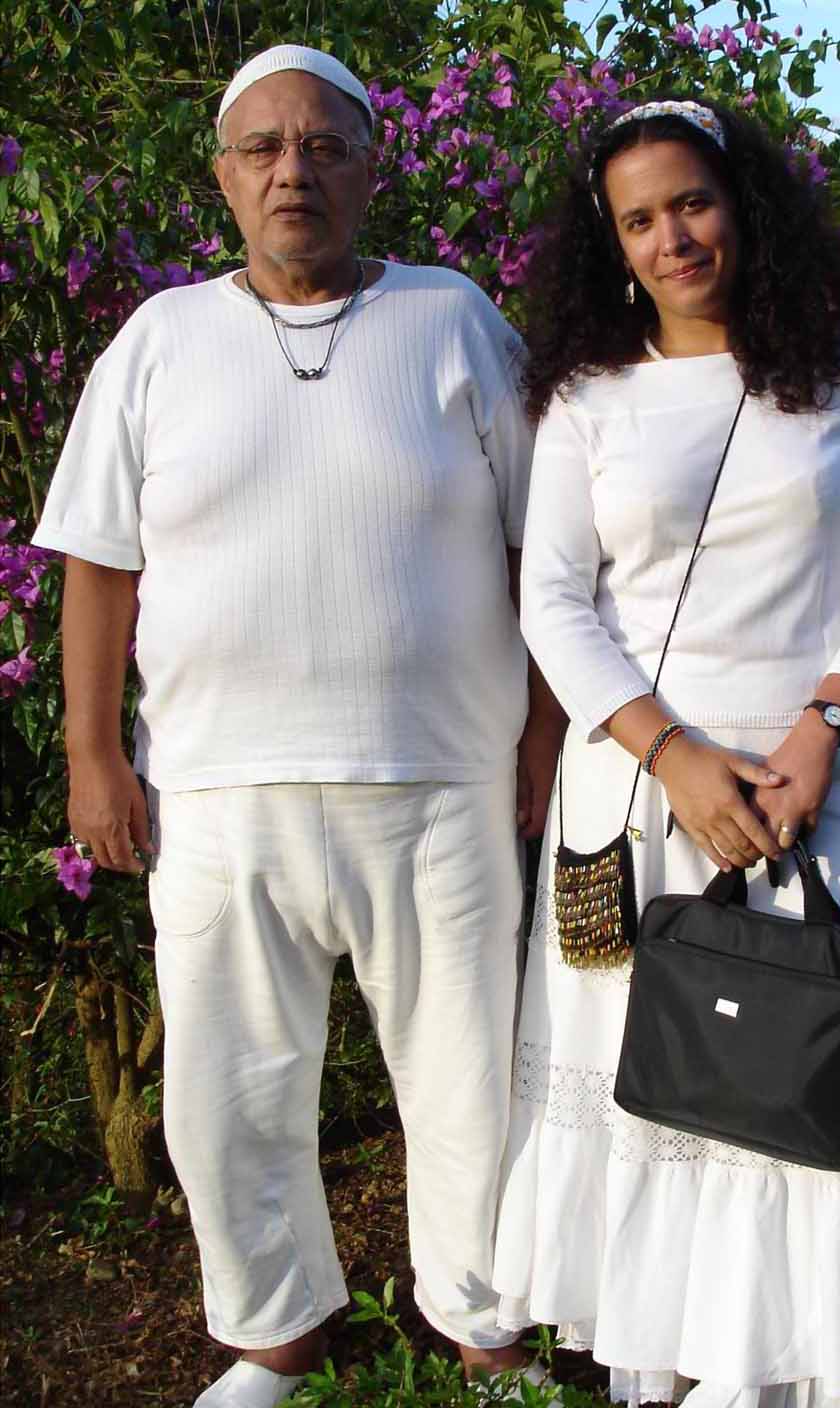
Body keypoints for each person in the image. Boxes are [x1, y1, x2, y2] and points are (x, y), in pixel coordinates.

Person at [32, 44, 563, 1408]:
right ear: (223, 176)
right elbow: (97, 563)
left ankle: (486, 1330)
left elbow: (544, 544)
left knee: (468, 1083)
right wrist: (93, 756)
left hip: (440, 782)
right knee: (229, 1095)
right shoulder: (158, 340)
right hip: (216, 792)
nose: (293, 172)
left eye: (324, 146)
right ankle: (275, 1334)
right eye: (263, 147)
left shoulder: (451, 317)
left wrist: (544, 732)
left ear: (371, 170)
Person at [490, 98, 840, 1407]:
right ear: (614, 245)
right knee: (676, 1079)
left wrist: (821, 730)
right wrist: (674, 756)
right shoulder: (589, 399)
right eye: (639, 219)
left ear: (744, 206)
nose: (672, 236)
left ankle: (839, 1369)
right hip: (645, 785)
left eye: (693, 202)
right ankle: (680, 1368)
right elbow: (552, 601)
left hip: (834, 775)